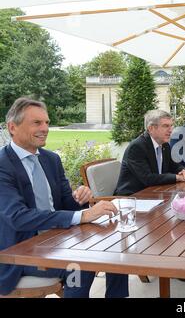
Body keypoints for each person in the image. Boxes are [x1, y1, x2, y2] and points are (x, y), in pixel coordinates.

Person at [0, 97, 128, 297]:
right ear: (12, 127)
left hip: (58, 238)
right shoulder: (3, 165)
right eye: (37, 123)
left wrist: (81, 199)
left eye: (47, 122)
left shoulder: (51, 159)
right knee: (79, 268)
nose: (45, 128)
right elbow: (18, 218)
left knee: (116, 249)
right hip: (18, 252)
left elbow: (67, 205)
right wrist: (83, 215)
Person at [115, 109, 185, 196]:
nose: (171, 130)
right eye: (166, 126)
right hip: (131, 198)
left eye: (171, 126)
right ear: (151, 128)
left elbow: (174, 165)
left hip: (155, 192)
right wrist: (178, 177)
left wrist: (184, 170)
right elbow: (148, 178)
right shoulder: (137, 147)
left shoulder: (165, 145)